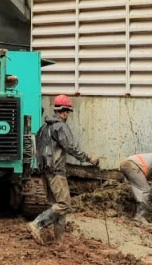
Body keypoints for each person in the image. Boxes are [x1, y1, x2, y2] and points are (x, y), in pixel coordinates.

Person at [27, 94, 99, 245]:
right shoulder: (60, 126)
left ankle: (59, 240)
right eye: (68, 112)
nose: (68, 115)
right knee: (64, 204)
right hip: (56, 172)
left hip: (45, 172)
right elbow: (71, 147)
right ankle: (37, 224)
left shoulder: (44, 128)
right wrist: (88, 158)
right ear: (65, 112)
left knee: (56, 206)